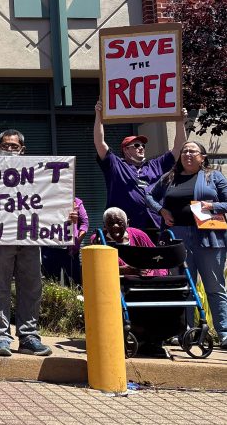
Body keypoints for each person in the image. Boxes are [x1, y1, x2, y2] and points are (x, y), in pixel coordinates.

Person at [0, 129, 77, 357]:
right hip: (0, 239)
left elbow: (51, 201)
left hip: (30, 238)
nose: (9, 149)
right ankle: (1, 336)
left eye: (14, 146)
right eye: (5, 145)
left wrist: (66, 216)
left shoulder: (37, 175)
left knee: (31, 286)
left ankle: (28, 336)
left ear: (23, 149)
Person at [146, 141, 227, 349]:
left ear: (203, 157)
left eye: (193, 151)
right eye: (185, 151)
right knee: (183, 287)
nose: (188, 154)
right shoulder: (169, 177)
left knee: (214, 286)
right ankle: (185, 332)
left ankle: (224, 334)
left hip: (209, 238)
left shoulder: (213, 176)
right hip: (177, 239)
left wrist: (213, 205)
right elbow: (148, 195)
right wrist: (161, 210)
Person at [94, 100, 187, 230]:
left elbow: (179, 147)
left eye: (143, 145)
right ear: (126, 150)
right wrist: (99, 115)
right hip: (124, 227)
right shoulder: (116, 165)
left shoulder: (156, 165)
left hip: (155, 223)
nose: (141, 148)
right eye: (136, 145)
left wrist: (180, 121)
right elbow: (100, 143)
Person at [85, 207, 167, 277]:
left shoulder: (138, 235)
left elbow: (156, 256)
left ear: (127, 223)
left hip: (145, 280)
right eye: (110, 223)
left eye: (119, 223)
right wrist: (126, 270)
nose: (115, 226)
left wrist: (160, 277)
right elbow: (99, 270)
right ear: (104, 225)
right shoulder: (98, 239)